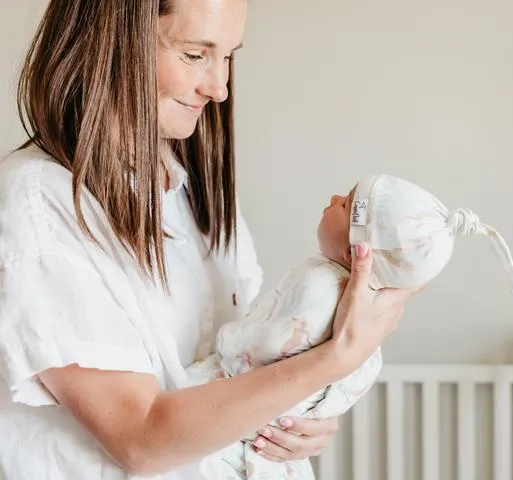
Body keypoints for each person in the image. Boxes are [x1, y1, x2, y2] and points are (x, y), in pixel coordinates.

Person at [0, 1, 417, 479]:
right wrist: (332, 360)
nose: (218, 88)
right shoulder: (38, 203)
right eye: (195, 55)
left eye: (228, 57)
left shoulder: (194, 191)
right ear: (109, 44)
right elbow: (140, 439)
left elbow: (244, 369)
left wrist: (298, 416)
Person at [185, 173, 513, 479]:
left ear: (355, 251)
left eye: (346, 204)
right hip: (273, 439)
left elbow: (269, 343)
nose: (333, 198)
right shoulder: (369, 327)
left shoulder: (321, 284)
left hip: (235, 416)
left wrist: (229, 340)